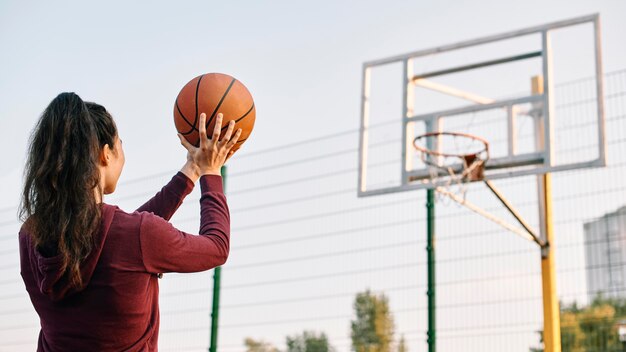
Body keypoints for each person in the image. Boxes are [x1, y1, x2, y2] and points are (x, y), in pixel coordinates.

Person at [18, 92, 241, 351]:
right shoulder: (135, 236)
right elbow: (216, 247)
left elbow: (117, 236)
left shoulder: (30, 235)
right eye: (119, 143)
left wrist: (192, 170)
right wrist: (211, 173)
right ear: (105, 154)